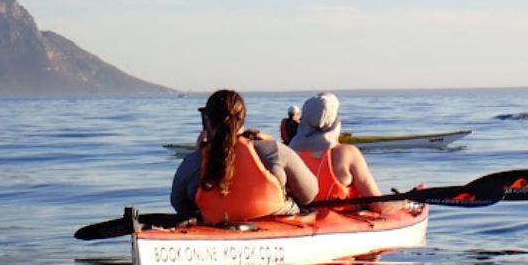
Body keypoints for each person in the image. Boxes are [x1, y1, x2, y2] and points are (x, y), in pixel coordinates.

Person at [171, 90, 319, 224]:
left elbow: (180, 205)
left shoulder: (193, 161)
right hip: (277, 220)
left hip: (216, 225)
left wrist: (199, 153)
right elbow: (309, 194)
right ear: (243, 118)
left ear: (207, 121)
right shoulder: (275, 150)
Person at [288, 92, 403, 213]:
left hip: (302, 216)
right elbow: (379, 206)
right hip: (339, 218)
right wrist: (404, 203)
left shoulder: (290, 153)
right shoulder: (347, 154)